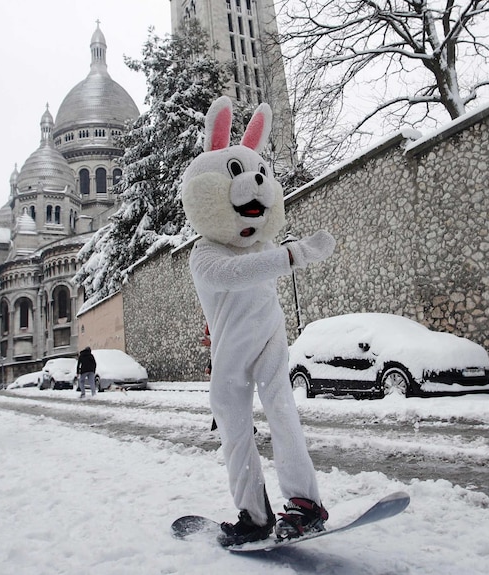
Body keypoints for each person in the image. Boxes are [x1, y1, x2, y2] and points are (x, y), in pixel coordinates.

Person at [180, 96, 334, 546]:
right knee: (233, 424)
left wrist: (285, 253)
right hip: (230, 348)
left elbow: (260, 264)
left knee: (282, 412)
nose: (254, 185)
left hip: (267, 336)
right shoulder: (205, 252)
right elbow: (230, 275)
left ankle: (305, 504)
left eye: (258, 175)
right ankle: (253, 512)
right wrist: (293, 254)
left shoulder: (261, 248)